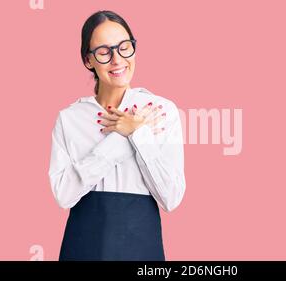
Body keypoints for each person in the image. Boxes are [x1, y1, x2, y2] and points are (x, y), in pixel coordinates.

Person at [47, 10, 186, 261]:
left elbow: (171, 198)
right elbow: (64, 195)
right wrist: (121, 139)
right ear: (88, 60)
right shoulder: (69, 119)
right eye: (103, 51)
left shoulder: (159, 111)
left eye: (124, 47)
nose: (117, 59)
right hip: (82, 248)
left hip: (142, 247)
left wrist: (139, 134)